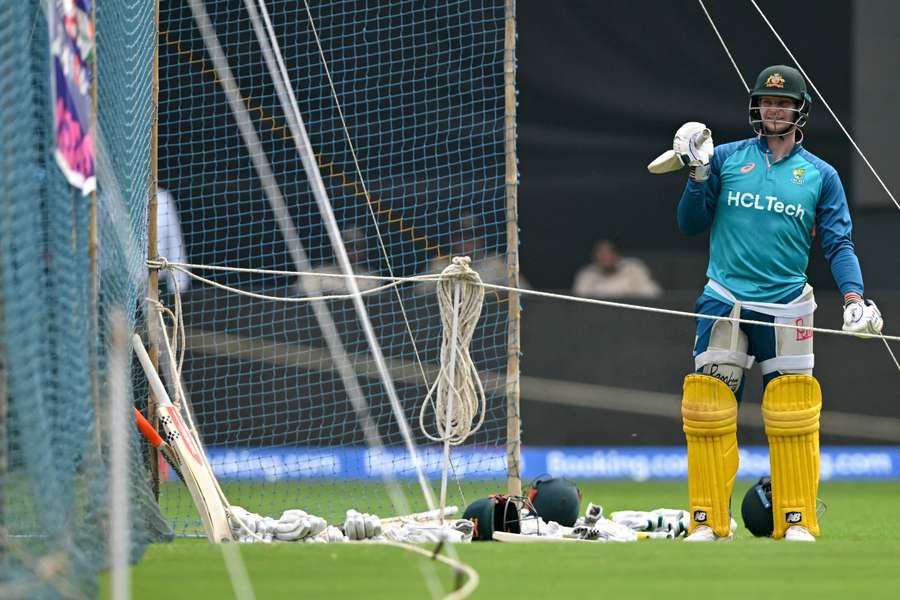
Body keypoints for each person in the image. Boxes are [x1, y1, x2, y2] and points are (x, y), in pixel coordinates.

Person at [673, 65, 883, 543]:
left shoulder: (820, 175)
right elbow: (689, 223)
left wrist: (854, 297)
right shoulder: (725, 157)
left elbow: (838, 243)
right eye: (767, 103)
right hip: (723, 297)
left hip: (788, 304)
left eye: (783, 103)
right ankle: (707, 523)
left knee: (793, 413)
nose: (773, 110)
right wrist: (697, 174)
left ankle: (796, 522)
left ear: (799, 110)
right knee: (708, 409)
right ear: (756, 108)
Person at [572, 239, 661, 299]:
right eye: (601, 253)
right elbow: (580, 303)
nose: (605, 257)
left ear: (617, 254)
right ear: (594, 256)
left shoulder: (633, 268)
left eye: (608, 252)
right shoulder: (587, 274)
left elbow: (652, 294)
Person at [157, 188, 190, 293]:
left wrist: (178, 282)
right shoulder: (113, 194)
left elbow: (174, 240)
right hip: (119, 282)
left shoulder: (162, 198)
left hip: (156, 281)